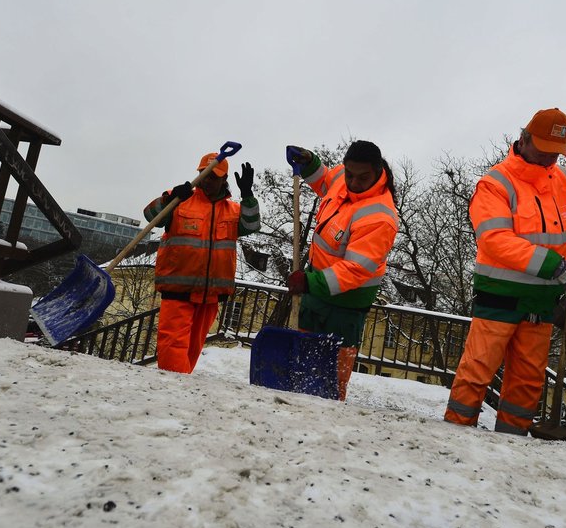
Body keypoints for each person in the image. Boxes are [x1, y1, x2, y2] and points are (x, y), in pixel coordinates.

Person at [444, 108, 566, 435]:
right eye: (542, 149)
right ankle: (455, 433)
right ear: (523, 139)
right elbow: (495, 241)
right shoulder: (496, 182)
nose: (548, 158)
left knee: (527, 379)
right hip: (500, 296)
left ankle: (513, 440)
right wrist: (556, 265)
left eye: (555, 152)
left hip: (541, 300)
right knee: (477, 370)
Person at [285, 140, 398, 400]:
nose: (354, 183)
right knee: (300, 371)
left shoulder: (380, 216)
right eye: (350, 174)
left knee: (328, 383)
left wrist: (310, 283)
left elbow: (357, 270)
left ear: (378, 171)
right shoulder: (342, 177)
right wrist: (309, 162)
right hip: (315, 296)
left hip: (344, 310)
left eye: (363, 177)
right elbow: (325, 180)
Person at [144, 153, 260, 373]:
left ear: (224, 180)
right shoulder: (180, 199)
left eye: (213, 177)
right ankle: (173, 389)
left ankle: (178, 392)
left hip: (210, 295)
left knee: (191, 350)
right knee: (173, 346)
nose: (207, 180)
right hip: (178, 291)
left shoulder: (233, 211)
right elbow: (151, 215)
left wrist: (248, 195)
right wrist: (169, 200)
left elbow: (252, 225)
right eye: (204, 175)